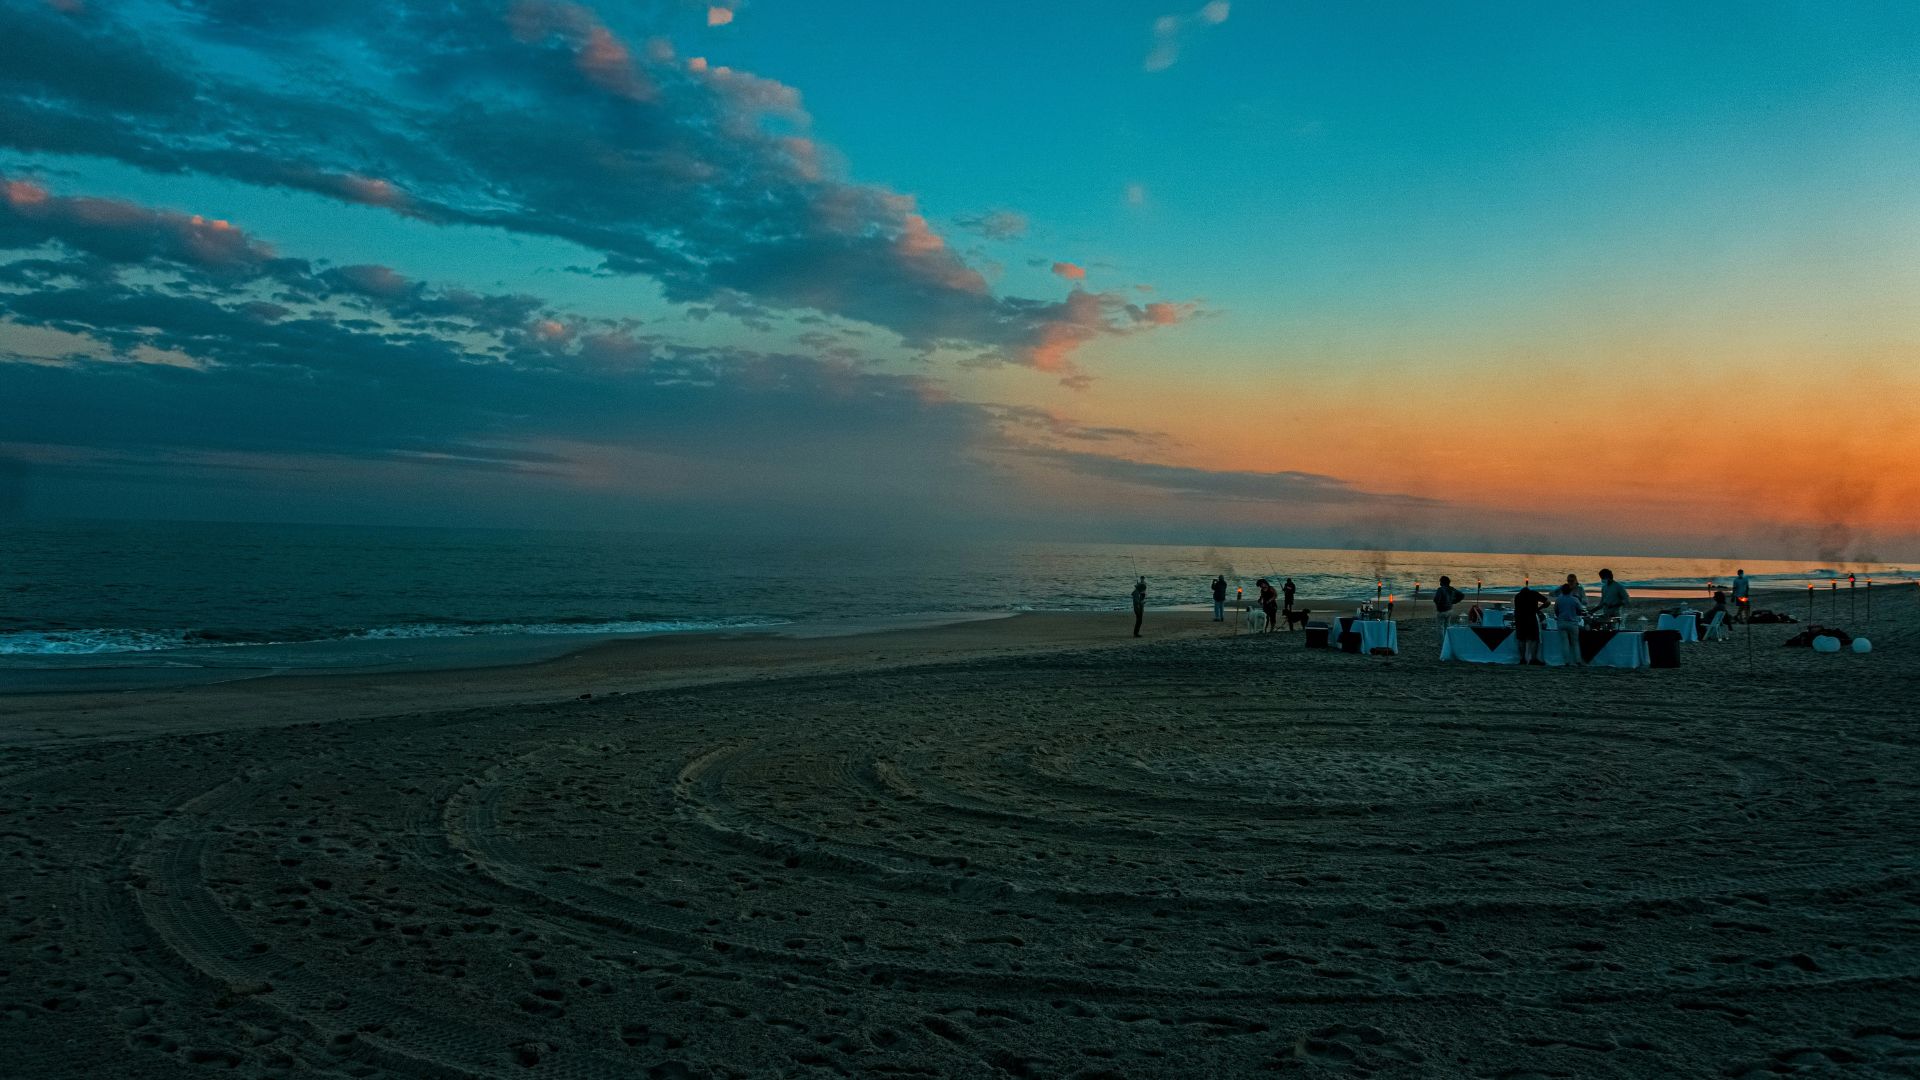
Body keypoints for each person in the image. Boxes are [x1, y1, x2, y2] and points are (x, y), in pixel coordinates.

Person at [1513, 583, 1547, 666]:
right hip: (1531, 618)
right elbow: (1548, 602)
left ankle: (1522, 659)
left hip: (1520, 619)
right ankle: (1533, 659)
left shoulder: (1517, 596)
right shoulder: (1534, 594)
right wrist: (1539, 608)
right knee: (1533, 639)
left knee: (1521, 639)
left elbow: (1516, 609)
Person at [1553, 582, 1585, 666]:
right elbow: (1580, 610)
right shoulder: (1574, 599)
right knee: (1575, 642)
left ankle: (1567, 661)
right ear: (1570, 590)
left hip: (1561, 622)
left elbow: (1556, 610)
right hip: (1572, 623)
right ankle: (1578, 660)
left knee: (1565, 642)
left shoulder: (1559, 599)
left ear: (1562, 591)